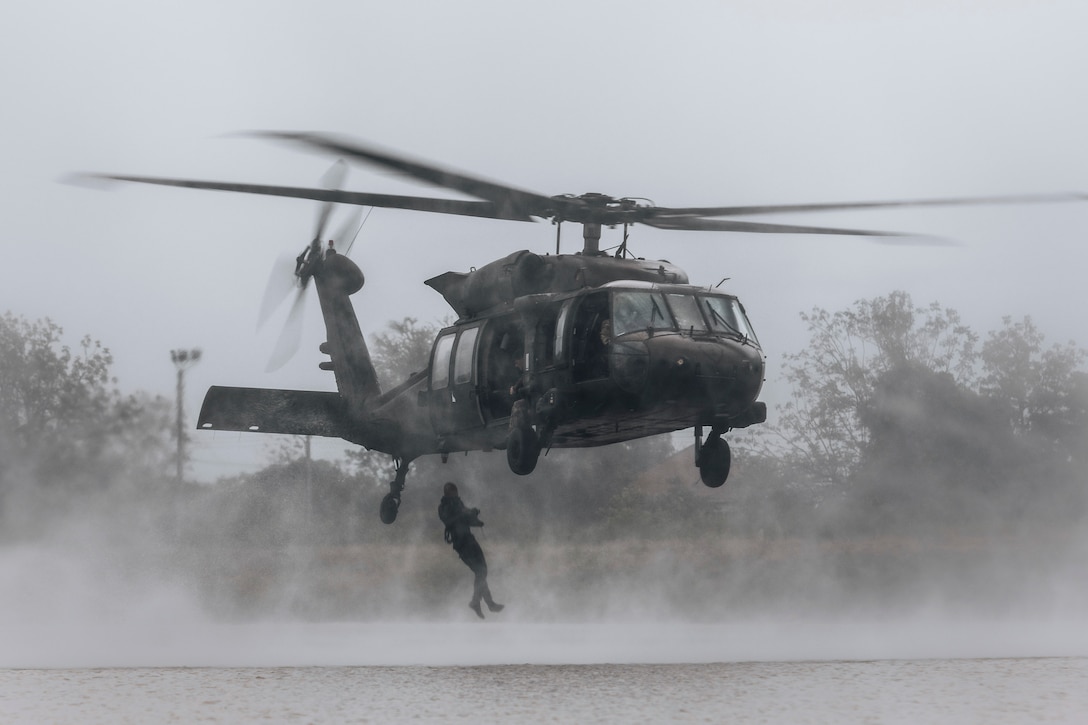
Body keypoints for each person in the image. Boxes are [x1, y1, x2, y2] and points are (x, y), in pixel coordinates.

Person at [438, 482, 504, 619]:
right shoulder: (444, 507)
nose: (455, 494)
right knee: (480, 571)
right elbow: (449, 522)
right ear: (446, 492)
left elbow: (466, 520)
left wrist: (475, 518)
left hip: (469, 540)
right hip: (461, 543)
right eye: (452, 492)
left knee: (482, 571)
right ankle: (479, 602)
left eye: (455, 491)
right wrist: (465, 514)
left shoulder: (458, 504)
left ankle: (486, 603)